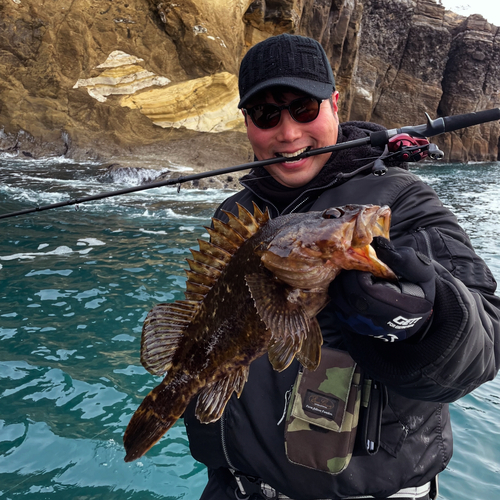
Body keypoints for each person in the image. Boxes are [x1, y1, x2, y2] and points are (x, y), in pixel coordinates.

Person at [183, 33, 500, 500]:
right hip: (235, 488)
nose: (288, 133)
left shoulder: (403, 200)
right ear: (247, 122)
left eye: (305, 109)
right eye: (266, 115)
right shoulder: (235, 213)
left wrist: (425, 319)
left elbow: (488, 341)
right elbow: (208, 318)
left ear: (335, 103)